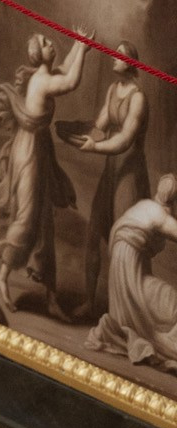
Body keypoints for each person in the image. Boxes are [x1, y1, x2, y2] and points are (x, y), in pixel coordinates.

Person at [0, 33, 86, 317]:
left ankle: (50, 295)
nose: (51, 43)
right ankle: (2, 276)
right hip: (27, 152)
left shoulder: (45, 75)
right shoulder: (41, 81)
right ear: (39, 54)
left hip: (37, 148)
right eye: (45, 42)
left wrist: (79, 43)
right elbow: (71, 81)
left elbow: (65, 70)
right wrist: (84, 50)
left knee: (44, 221)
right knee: (27, 217)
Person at [77, 43, 150, 317]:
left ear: (131, 63)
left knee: (125, 242)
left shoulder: (138, 98)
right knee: (94, 231)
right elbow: (101, 126)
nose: (113, 57)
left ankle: (126, 313)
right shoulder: (112, 90)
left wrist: (94, 147)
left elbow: (124, 140)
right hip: (111, 171)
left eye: (120, 55)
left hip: (129, 174)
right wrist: (81, 136)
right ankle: (90, 302)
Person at [89, 172, 177, 371]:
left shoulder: (145, 205)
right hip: (128, 262)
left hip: (122, 260)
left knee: (155, 301)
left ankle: (131, 325)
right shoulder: (161, 215)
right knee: (164, 304)